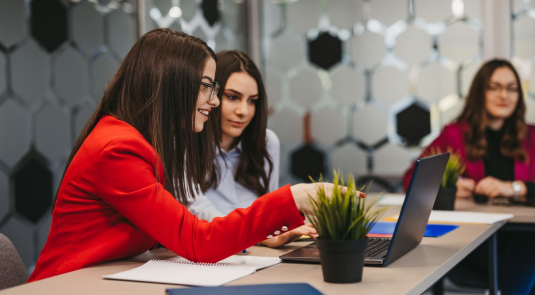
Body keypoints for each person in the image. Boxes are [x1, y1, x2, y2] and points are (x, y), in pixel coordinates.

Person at [28, 29, 349, 282]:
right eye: (208, 87)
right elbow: (199, 242)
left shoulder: (134, 140)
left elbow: (167, 235)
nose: (213, 101)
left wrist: (259, 236)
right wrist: (295, 196)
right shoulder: (118, 149)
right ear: (174, 84)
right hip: (65, 285)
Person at [402, 59, 535, 294]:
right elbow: (412, 178)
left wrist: (514, 188)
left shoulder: (532, 136)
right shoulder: (454, 135)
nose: (504, 95)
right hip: (475, 245)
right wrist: (449, 185)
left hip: (523, 238)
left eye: (512, 88)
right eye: (494, 87)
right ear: (479, 92)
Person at [187, 51, 316, 247]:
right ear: (211, 96)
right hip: (208, 250)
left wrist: (275, 230)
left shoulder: (266, 142)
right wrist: (259, 233)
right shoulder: (185, 144)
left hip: (260, 252)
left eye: (252, 101)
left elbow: (269, 208)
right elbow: (195, 207)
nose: (243, 111)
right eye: (232, 97)